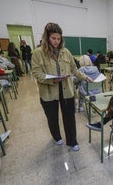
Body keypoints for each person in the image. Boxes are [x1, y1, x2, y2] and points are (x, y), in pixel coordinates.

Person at [31, 22, 93, 151]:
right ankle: (57, 136)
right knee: (52, 117)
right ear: (47, 37)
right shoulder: (38, 53)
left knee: (69, 117)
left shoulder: (66, 52)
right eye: (53, 38)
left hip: (66, 90)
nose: (56, 41)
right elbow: (36, 73)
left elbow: (74, 70)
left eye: (58, 39)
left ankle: (72, 141)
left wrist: (86, 78)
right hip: (48, 92)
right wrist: (52, 80)